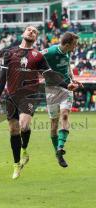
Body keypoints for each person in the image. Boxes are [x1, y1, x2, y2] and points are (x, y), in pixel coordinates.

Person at [0, 26, 78, 179]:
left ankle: (25, 148)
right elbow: (3, 75)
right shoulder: (9, 53)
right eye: (29, 30)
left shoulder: (38, 55)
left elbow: (50, 74)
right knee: (13, 130)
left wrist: (67, 85)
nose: (31, 32)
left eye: (35, 32)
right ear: (23, 33)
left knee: (24, 125)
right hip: (11, 95)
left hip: (30, 95)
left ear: (36, 38)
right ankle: (17, 163)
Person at [42, 32, 83, 168]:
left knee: (64, 115)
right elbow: (35, 57)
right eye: (74, 44)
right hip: (51, 89)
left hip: (67, 87)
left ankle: (60, 147)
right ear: (67, 44)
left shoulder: (68, 52)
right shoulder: (51, 51)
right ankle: (57, 153)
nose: (75, 47)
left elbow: (67, 66)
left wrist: (72, 78)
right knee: (54, 123)